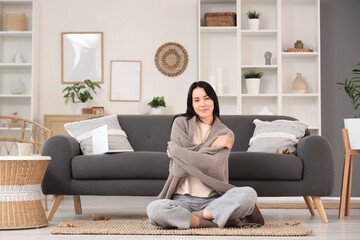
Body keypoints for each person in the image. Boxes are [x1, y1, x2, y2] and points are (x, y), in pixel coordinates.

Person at [146, 81, 264, 229]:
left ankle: (195, 219)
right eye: (196, 100)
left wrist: (177, 152)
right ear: (191, 104)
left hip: (214, 201)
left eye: (206, 98)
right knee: (154, 209)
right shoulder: (180, 123)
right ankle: (217, 220)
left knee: (249, 194)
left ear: (214, 100)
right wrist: (212, 145)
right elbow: (179, 169)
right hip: (181, 201)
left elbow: (211, 165)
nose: (202, 104)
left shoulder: (226, 134)